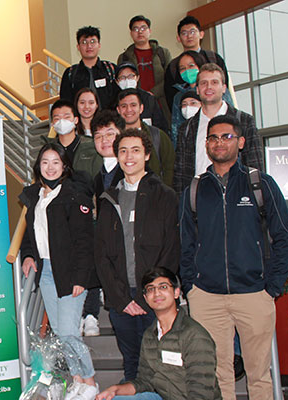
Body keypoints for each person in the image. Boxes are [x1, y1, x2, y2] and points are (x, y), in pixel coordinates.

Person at [179, 115, 288, 400]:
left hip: (254, 294)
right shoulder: (194, 190)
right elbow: (184, 244)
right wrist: (190, 287)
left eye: (226, 137)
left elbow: (287, 238)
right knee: (217, 375)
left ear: (241, 142)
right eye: (213, 138)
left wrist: (271, 286)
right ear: (207, 144)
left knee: (259, 373)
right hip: (207, 297)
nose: (219, 142)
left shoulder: (260, 184)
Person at [95, 129, 179, 383]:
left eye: (135, 150)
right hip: (121, 297)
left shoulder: (165, 196)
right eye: (122, 151)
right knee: (132, 364)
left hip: (155, 297)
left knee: (162, 364)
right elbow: (101, 255)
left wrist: (151, 293)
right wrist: (120, 298)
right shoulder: (109, 198)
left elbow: (171, 248)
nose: (128, 156)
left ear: (147, 155)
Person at [20, 143, 99, 400]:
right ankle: (77, 380)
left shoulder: (75, 195)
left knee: (67, 332)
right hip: (45, 272)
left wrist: (80, 278)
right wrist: (28, 255)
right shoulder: (34, 197)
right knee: (59, 331)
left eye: (56, 162)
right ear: (38, 166)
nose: (50, 167)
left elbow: (85, 241)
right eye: (45, 162)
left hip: (70, 273)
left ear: (64, 166)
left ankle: (90, 381)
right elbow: (30, 235)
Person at [95, 268, 221, 400]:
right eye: (151, 289)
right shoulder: (150, 334)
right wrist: (115, 390)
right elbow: (144, 381)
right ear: (145, 298)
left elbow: (201, 393)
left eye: (163, 287)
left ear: (176, 292)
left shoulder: (195, 335)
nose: (157, 293)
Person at [173, 63, 264, 196]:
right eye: (204, 83)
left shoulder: (244, 121)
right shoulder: (186, 128)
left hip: (237, 197)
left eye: (214, 82)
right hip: (199, 200)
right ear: (197, 89)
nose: (209, 87)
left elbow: (255, 166)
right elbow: (180, 174)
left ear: (224, 88)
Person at [164, 15, 230, 111]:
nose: (189, 36)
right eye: (184, 33)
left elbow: (225, 86)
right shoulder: (174, 66)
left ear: (201, 34)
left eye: (192, 32)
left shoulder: (214, 58)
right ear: (178, 38)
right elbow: (170, 96)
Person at [116, 89, 174, 186]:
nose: (129, 110)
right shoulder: (114, 138)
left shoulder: (157, 136)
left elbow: (170, 168)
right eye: (124, 106)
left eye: (133, 105)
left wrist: (163, 193)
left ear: (141, 108)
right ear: (118, 110)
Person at [117, 15, 171, 118]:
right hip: (135, 107)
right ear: (131, 34)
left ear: (149, 31)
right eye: (135, 29)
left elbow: (169, 78)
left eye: (143, 28)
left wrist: (152, 93)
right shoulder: (124, 57)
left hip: (161, 104)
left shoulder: (162, 53)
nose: (140, 32)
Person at [48, 99, 102, 193]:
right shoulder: (49, 150)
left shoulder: (91, 147)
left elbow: (98, 181)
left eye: (66, 117)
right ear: (52, 123)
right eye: (57, 118)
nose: (62, 121)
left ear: (76, 120)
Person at [60, 26, 119, 110]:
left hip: (108, 120)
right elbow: (66, 103)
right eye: (84, 42)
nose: (89, 46)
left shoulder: (110, 69)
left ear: (99, 45)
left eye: (93, 42)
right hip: (81, 122)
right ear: (78, 47)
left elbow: (120, 97)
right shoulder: (70, 73)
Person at [114, 62, 168, 133]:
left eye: (131, 76)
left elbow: (161, 125)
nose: (127, 80)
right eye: (122, 77)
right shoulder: (113, 101)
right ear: (117, 81)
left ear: (137, 78)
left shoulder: (148, 99)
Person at [91, 110, 126, 199]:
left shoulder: (132, 170)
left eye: (110, 134)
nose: (104, 140)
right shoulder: (98, 178)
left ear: (121, 135)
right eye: (98, 136)